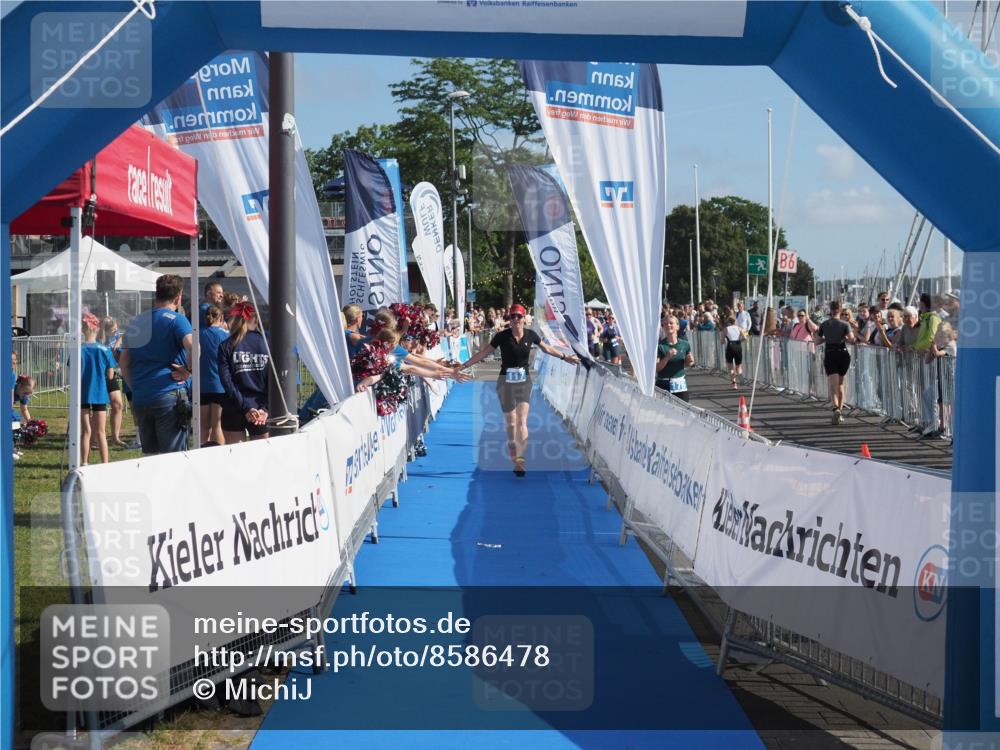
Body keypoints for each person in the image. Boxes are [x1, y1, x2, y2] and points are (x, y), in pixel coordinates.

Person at [457, 304, 578, 477]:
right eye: (512, 316)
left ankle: (520, 461)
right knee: (511, 422)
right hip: (505, 382)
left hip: (524, 382)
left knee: (522, 421)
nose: (515, 320)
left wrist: (565, 357)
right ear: (509, 319)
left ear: (524, 318)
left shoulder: (531, 335)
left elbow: (547, 348)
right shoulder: (502, 336)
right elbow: (484, 353)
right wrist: (464, 365)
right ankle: (512, 442)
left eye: (519, 317)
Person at [120, 274, 194, 455]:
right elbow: (195, 348)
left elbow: (124, 362)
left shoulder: (136, 321)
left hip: (142, 397)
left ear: (157, 294)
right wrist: (188, 370)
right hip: (168, 394)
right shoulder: (177, 320)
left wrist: (136, 388)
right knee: (174, 457)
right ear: (179, 297)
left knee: (150, 457)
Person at [218, 302, 270, 444]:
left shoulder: (226, 345)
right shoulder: (267, 344)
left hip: (234, 406)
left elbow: (227, 382)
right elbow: (275, 382)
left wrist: (247, 407)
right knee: (262, 460)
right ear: (256, 318)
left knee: (235, 460)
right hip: (259, 410)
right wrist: (264, 409)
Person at [79, 313, 116, 464]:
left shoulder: (78, 350)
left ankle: (84, 463)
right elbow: (110, 375)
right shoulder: (105, 350)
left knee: (86, 431)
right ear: (96, 329)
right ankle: (105, 463)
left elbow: (73, 372)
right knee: (101, 432)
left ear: (83, 329)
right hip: (100, 393)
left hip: (82, 394)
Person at [814, 300, 855, 424]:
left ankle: (835, 408)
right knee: (841, 384)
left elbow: (817, 341)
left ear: (830, 310)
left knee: (832, 385)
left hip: (830, 353)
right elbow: (852, 339)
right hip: (843, 353)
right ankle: (840, 411)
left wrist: (827, 338)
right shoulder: (845, 324)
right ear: (840, 309)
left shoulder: (824, 324)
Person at [199, 305, 229, 445]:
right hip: (220, 386)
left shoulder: (198, 334)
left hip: (202, 385)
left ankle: (200, 455)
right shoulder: (225, 335)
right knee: (217, 425)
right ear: (221, 318)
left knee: (204, 427)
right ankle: (220, 458)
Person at [99, 317, 128, 448]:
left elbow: (126, 334)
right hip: (99, 375)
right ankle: (97, 437)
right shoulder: (99, 340)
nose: (116, 330)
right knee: (99, 408)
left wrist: (118, 342)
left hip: (112, 374)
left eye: (116, 327)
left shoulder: (116, 336)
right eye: (113, 329)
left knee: (118, 404)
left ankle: (115, 437)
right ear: (105, 330)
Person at [656, 314, 695, 401]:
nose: (668, 325)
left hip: (680, 384)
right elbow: (657, 368)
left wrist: (690, 362)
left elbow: (690, 362)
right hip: (663, 384)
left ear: (677, 326)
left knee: (683, 411)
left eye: (671, 323)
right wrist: (667, 357)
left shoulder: (685, 344)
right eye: (665, 324)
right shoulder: (660, 346)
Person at [721, 314, 743, 389]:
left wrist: (723, 341)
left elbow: (722, 340)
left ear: (728, 322)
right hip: (738, 345)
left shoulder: (726, 329)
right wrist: (740, 341)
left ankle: (734, 383)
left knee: (730, 367)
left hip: (730, 346)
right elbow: (745, 337)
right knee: (738, 366)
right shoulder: (739, 328)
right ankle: (739, 375)